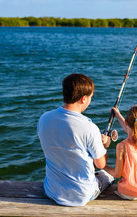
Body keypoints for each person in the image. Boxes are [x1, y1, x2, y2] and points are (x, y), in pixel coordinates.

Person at [37, 73, 114, 207]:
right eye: (90, 97)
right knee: (109, 176)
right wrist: (105, 145)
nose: (90, 100)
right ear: (84, 99)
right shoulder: (89, 128)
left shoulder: (44, 118)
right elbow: (101, 164)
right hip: (81, 195)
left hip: (52, 191)